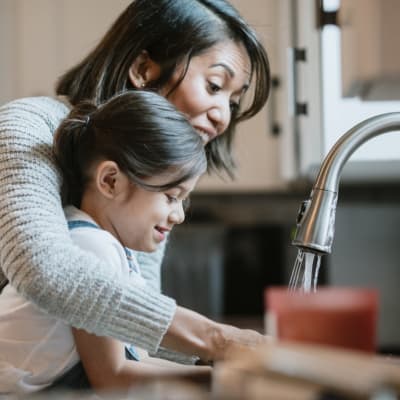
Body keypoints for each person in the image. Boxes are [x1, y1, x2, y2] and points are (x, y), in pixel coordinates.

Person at [0, 0, 270, 366]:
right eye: (214, 85)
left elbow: (133, 326)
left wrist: (232, 363)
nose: (223, 115)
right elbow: (43, 270)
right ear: (143, 69)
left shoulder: (147, 179)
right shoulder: (28, 127)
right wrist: (218, 340)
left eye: (233, 102)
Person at [0, 91, 211, 394]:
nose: (178, 215)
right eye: (171, 197)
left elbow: (138, 359)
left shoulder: (111, 245)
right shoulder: (91, 246)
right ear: (111, 181)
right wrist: (224, 380)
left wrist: (215, 373)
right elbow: (114, 376)